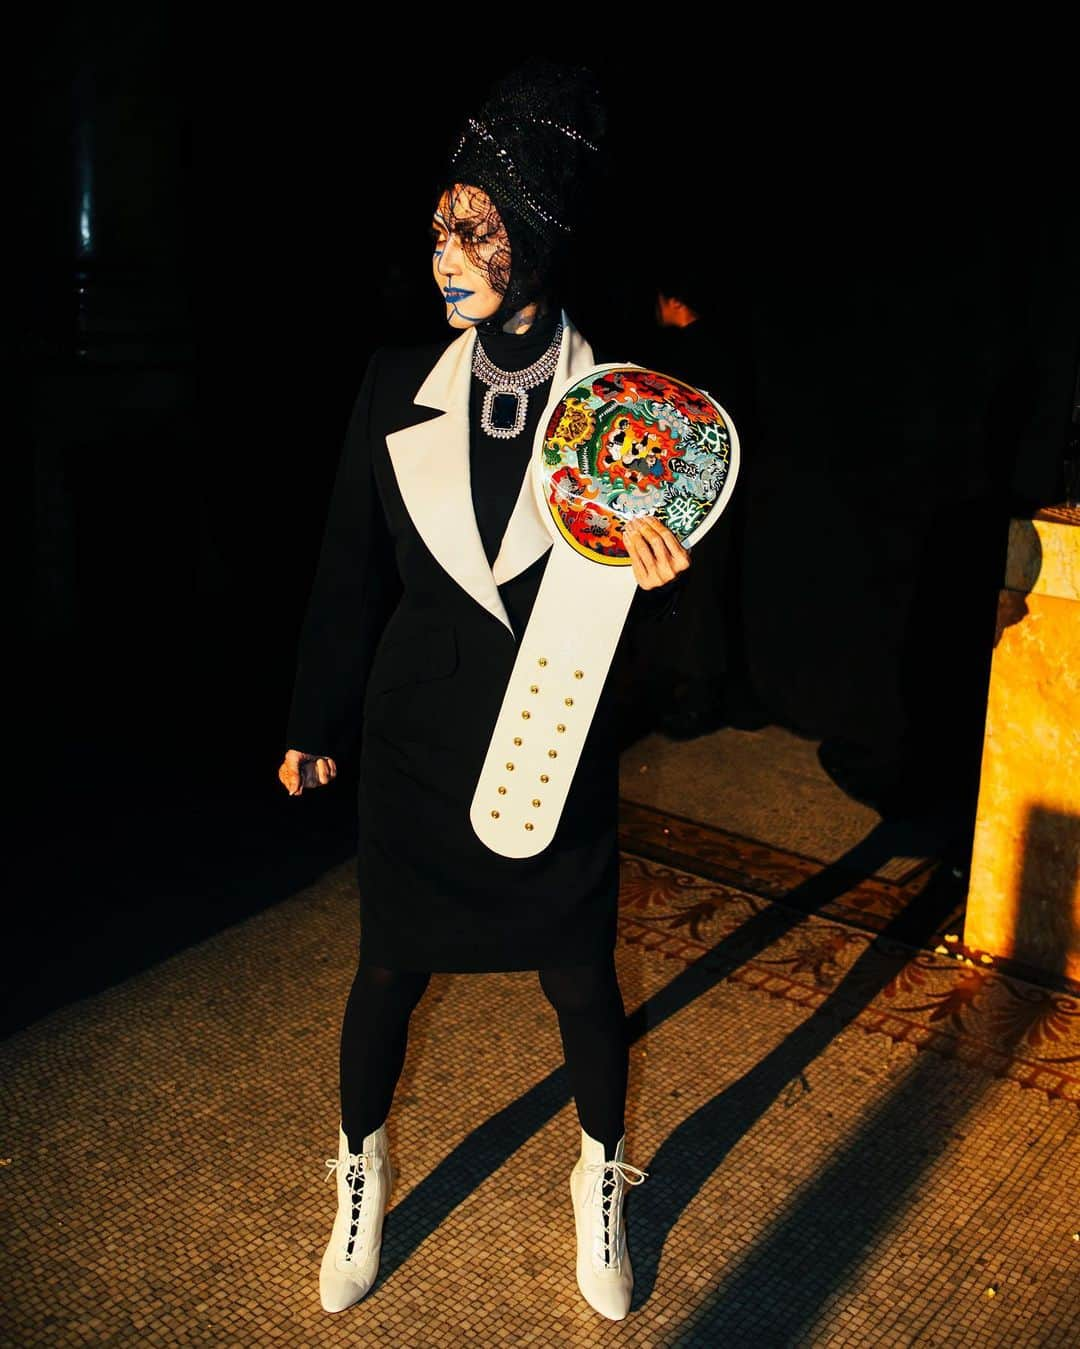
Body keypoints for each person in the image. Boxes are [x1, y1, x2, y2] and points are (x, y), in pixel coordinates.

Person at [277, 63, 691, 1323]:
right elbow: (348, 565)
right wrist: (312, 718)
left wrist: (658, 574)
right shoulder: (394, 378)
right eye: (442, 227)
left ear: (540, 235)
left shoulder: (620, 401)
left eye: (481, 229)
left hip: (549, 730)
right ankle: (361, 1172)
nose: (451, 254)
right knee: (388, 970)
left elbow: (646, 599)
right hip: (413, 735)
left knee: (579, 978)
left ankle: (597, 1175)